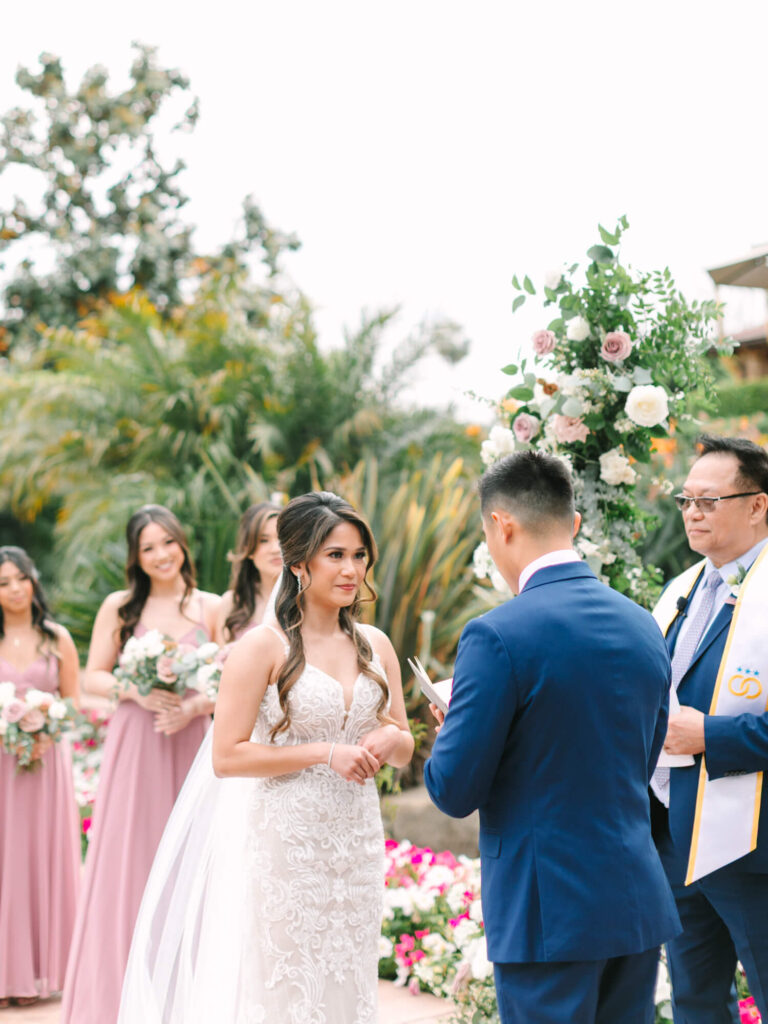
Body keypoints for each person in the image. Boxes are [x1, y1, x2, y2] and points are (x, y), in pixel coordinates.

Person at [117, 491, 414, 1024]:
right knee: (284, 984)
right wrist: (325, 753)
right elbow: (226, 757)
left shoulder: (376, 643)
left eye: (359, 555)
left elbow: (403, 741)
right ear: (298, 563)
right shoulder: (263, 646)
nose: (352, 570)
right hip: (286, 846)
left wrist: (391, 741)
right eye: (336, 555)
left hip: (356, 845)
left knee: (348, 972)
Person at [423, 451, 680, 1024]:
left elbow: (454, 789)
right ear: (576, 525)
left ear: (501, 524)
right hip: (635, 898)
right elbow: (646, 749)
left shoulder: (495, 634)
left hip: (548, 911)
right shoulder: (643, 623)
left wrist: (451, 734)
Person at [61, 505, 220, 1024]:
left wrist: (194, 704)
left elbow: (231, 675)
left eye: (167, 543)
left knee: (194, 860)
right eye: (148, 548)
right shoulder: (120, 607)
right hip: (138, 740)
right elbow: (93, 678)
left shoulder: (211, 607)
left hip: (193, 741)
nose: (160, 556)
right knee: (132, 855)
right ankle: (116, 995)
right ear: (136, 556)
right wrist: (140, 690)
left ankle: (187, 994)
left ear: (183, 543)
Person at [648, 434, 768, 1023]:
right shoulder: (682, 590)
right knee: (696, 1000)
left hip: (754, 839)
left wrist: (711, 736)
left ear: (757, 504)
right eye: (685, 500)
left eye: (708, 500)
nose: (692, 512)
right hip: (676, 834)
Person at [0, 546, 80, 1009]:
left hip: (46, 763)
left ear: (33, 580)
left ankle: (40, 972)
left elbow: (73, 701)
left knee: (39, 858)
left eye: (21, 578)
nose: (14, 589)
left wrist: (48, 724)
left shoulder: (56, 638)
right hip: (3, 763)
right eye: (4, 582)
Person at [213, 500, 282, 644]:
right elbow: (222, 659)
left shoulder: (310, 600)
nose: (275, 549)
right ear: (248, 549)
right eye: (263, 540)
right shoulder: (232, 603)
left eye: (282, 539)